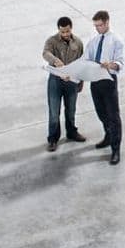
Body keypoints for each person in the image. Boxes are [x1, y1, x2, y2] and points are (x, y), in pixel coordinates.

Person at [85, 10, 125, 166]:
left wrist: (111, 65)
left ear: (107, 22)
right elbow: (88, 56)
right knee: (100, 111)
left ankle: (116, 149)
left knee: (113, 115)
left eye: (100, 25)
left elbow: (120, 62)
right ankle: (108, 136)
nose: (97, 28)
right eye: (95, 26)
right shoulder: (94, 39)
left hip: (108, 79)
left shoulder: (116, 40)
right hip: (95, 79)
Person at [42, 16, 88, 152]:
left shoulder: (78, 43)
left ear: (71, 28)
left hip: (71, 81)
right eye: (62, 32)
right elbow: (45, 53)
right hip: (55, 81)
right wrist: (55, 60)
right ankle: (53, 139)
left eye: (67, 31)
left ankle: (72, 132)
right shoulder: (52, 41)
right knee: (54, 112)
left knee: (71, 110)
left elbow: (82, 63)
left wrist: (81, 81)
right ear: (58, 30)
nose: (65, 34)